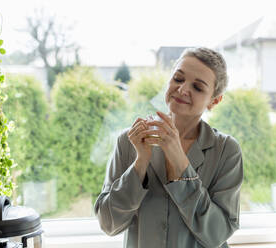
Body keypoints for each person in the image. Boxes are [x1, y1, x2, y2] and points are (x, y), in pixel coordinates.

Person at [94, 47, 243, 248]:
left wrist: (179, 162)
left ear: (214, 101)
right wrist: (140, 163)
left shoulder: (227, 150)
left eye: (198, 88)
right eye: (178, 79)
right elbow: (109, 224)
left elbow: (217, 233)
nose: (182, 89)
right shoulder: (129, 141)